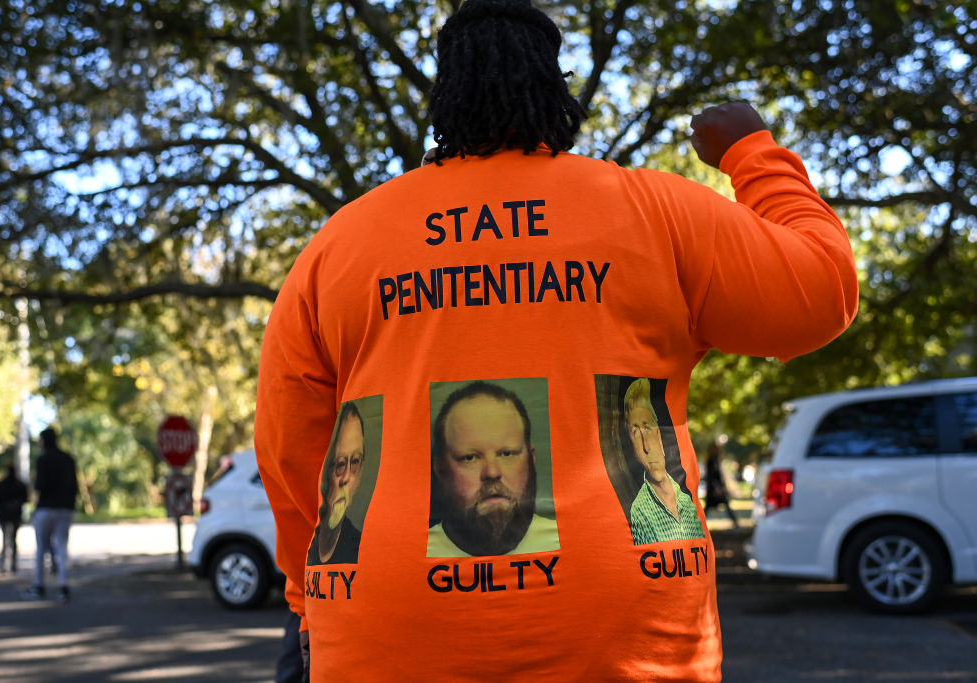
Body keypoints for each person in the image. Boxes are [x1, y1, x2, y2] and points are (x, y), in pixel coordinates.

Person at [254, 0, 857, 679]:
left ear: (442, 97)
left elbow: (289, 448)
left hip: (388, 632)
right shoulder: (654, 212)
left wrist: (312, 601)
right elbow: (822, 293)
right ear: (555, 87)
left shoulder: (340, 245)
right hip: (631, 630)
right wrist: (754, 154)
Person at [428, 381, 558, 557]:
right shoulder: (412, 556)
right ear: (440, 469)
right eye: (470, 458)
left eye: (507, 454)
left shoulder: (570, 544)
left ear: (530, 459)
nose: (492, 472)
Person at [624, 378, 705, 545]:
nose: (646, 446)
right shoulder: (639, 510)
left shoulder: (685, 501)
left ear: (660, 436)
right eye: (636, 433)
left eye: (647, 428)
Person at [22, 427, 78, 603]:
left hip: (46, 508)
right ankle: (63, 587)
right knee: (61, 548)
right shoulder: (67, 458)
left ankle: (39, 586)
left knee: (41, 549)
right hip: (65, 508)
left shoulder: (43, 459)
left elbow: (40, 485)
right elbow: (74, 485)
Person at [306, 402, 365, 565]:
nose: (346, 477)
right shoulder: (309, 542)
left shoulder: (361, 547)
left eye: (354, 462)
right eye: (339, 464)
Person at [0, 463, 29, 574]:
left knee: (7, 540)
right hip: (12, 515)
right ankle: (11, 565)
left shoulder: (3, 484)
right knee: (12, 540)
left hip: (7, 516)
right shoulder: (18, 484)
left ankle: (7, 565)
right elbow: (24, 499)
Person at [704, 442, 740, 527]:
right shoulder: (710, 461)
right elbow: (711, 476)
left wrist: (723, 487)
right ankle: (699, 524)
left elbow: (719, 476)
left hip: (719, 489)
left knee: (725, 504)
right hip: (713, 490)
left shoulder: (717, 460)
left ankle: (735, 522)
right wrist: (716, 487)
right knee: (708, 507)